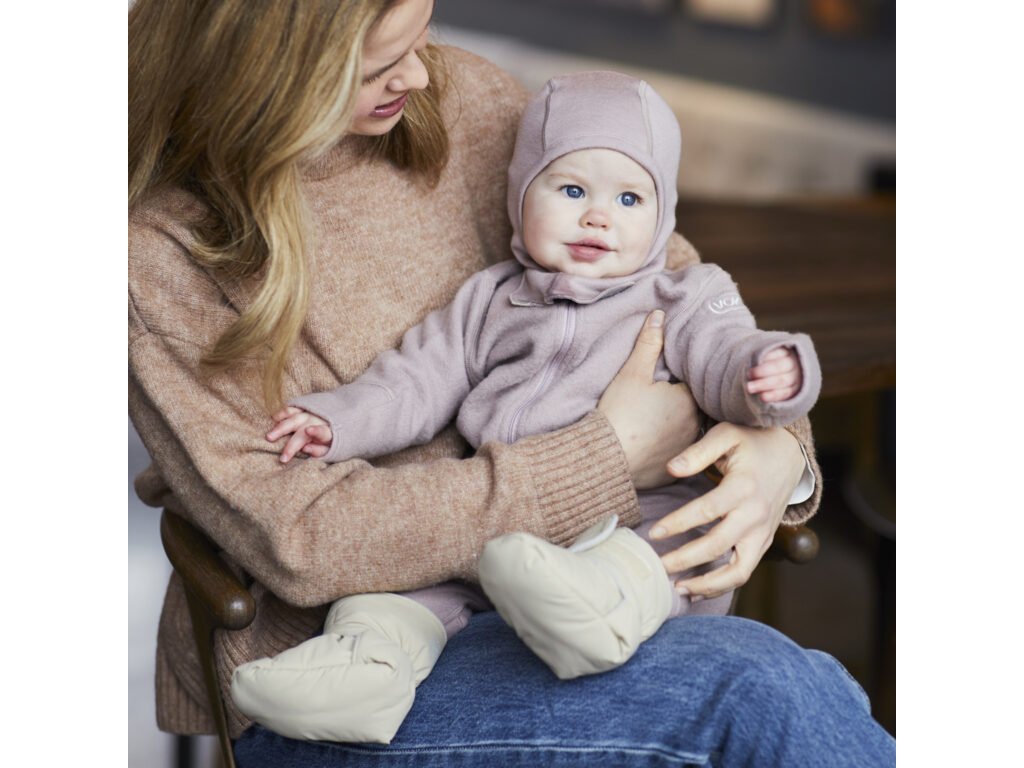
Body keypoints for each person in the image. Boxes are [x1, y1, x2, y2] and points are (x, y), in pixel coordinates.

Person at [128, 0, 895, 765]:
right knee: (762, 692)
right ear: (264, 69)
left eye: (422, 34)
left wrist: (778, 447)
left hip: (608, 561)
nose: (421, 75)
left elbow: (687, 299)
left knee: (780, 687)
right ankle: (372, 664)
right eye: (379, 64)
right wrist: (607, 455)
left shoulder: (468, 101)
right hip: (343, 637)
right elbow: (305, 537)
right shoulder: (155, 254)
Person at [229, 70, 824, 745]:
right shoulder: (490, 301)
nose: (598, 216)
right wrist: (337, 421)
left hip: (640, 518)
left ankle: (598, 612)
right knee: (407, 590)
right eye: (571, 191)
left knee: (673, 541)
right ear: (519, 197)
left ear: (664, 217)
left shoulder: (682, 296)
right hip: (508, 537)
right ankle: (366, 669)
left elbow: (726, 353)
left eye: (630, 198)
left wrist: (768, 376)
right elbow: (413, 380)